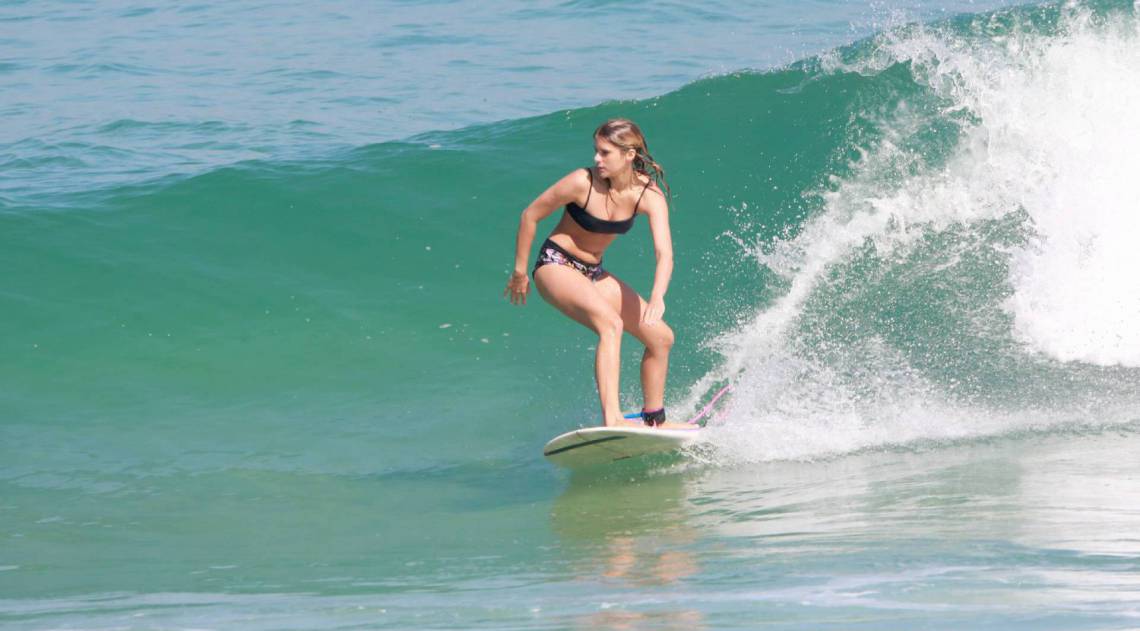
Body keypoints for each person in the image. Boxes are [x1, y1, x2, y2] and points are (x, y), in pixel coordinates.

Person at [504, 118, 687, 429]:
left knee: (661, 337)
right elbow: (530, 215)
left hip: (593, 271)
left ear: (629, 154)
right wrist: (520, 272)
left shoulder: (647, 194)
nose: (596, 159)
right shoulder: (581, 182)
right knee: (610, 324)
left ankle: (655, 419)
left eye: (605, 153)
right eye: (596, 151)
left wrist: (658, 295)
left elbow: (664, 252)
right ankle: (612, 418)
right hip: (556, 263)